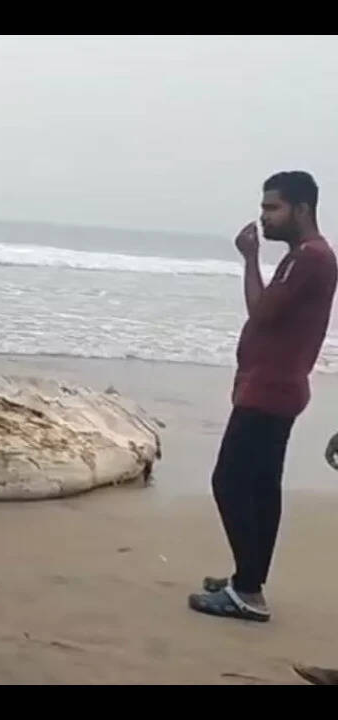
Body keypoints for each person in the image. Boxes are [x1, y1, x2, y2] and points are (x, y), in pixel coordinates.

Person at [188, 171, 336, 622]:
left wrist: (249, 258)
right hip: (279, 386)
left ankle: (248, 590)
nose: (264, 217)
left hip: (269, 389)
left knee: (229, 481)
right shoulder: (309, 258)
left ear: (302, 209)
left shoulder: (308, 258)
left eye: (273, 208)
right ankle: (247, 579)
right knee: (260, 486)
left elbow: (262, 311)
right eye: (264, 208)